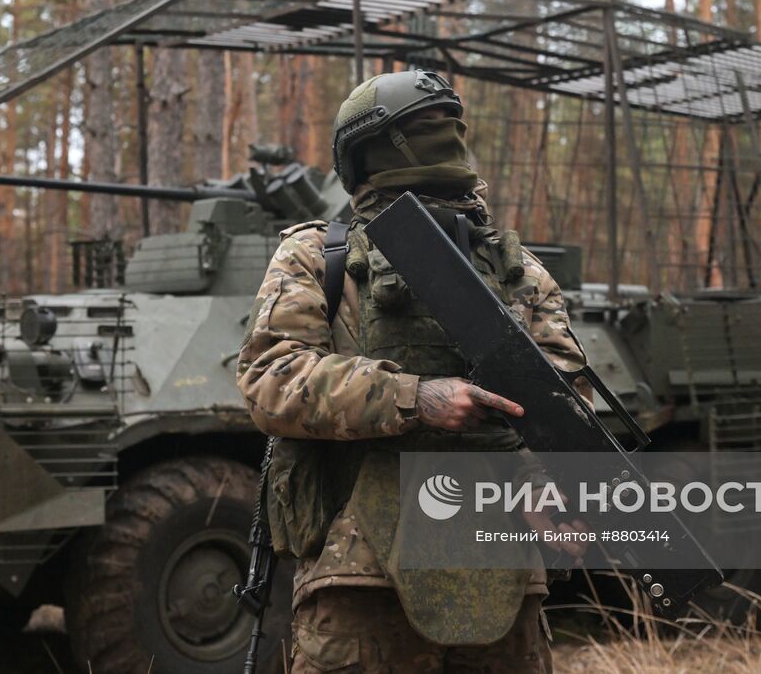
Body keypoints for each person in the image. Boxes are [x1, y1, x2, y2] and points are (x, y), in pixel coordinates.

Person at [236, 69, 588, 673]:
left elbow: (565, 411)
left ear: (356, 156)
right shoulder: (324, 256)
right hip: (363, 574)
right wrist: (415, 397)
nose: (443, 139)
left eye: (445, 127)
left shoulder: (514, 270)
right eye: (428, 129)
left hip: (489, 572)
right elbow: (274, 380)